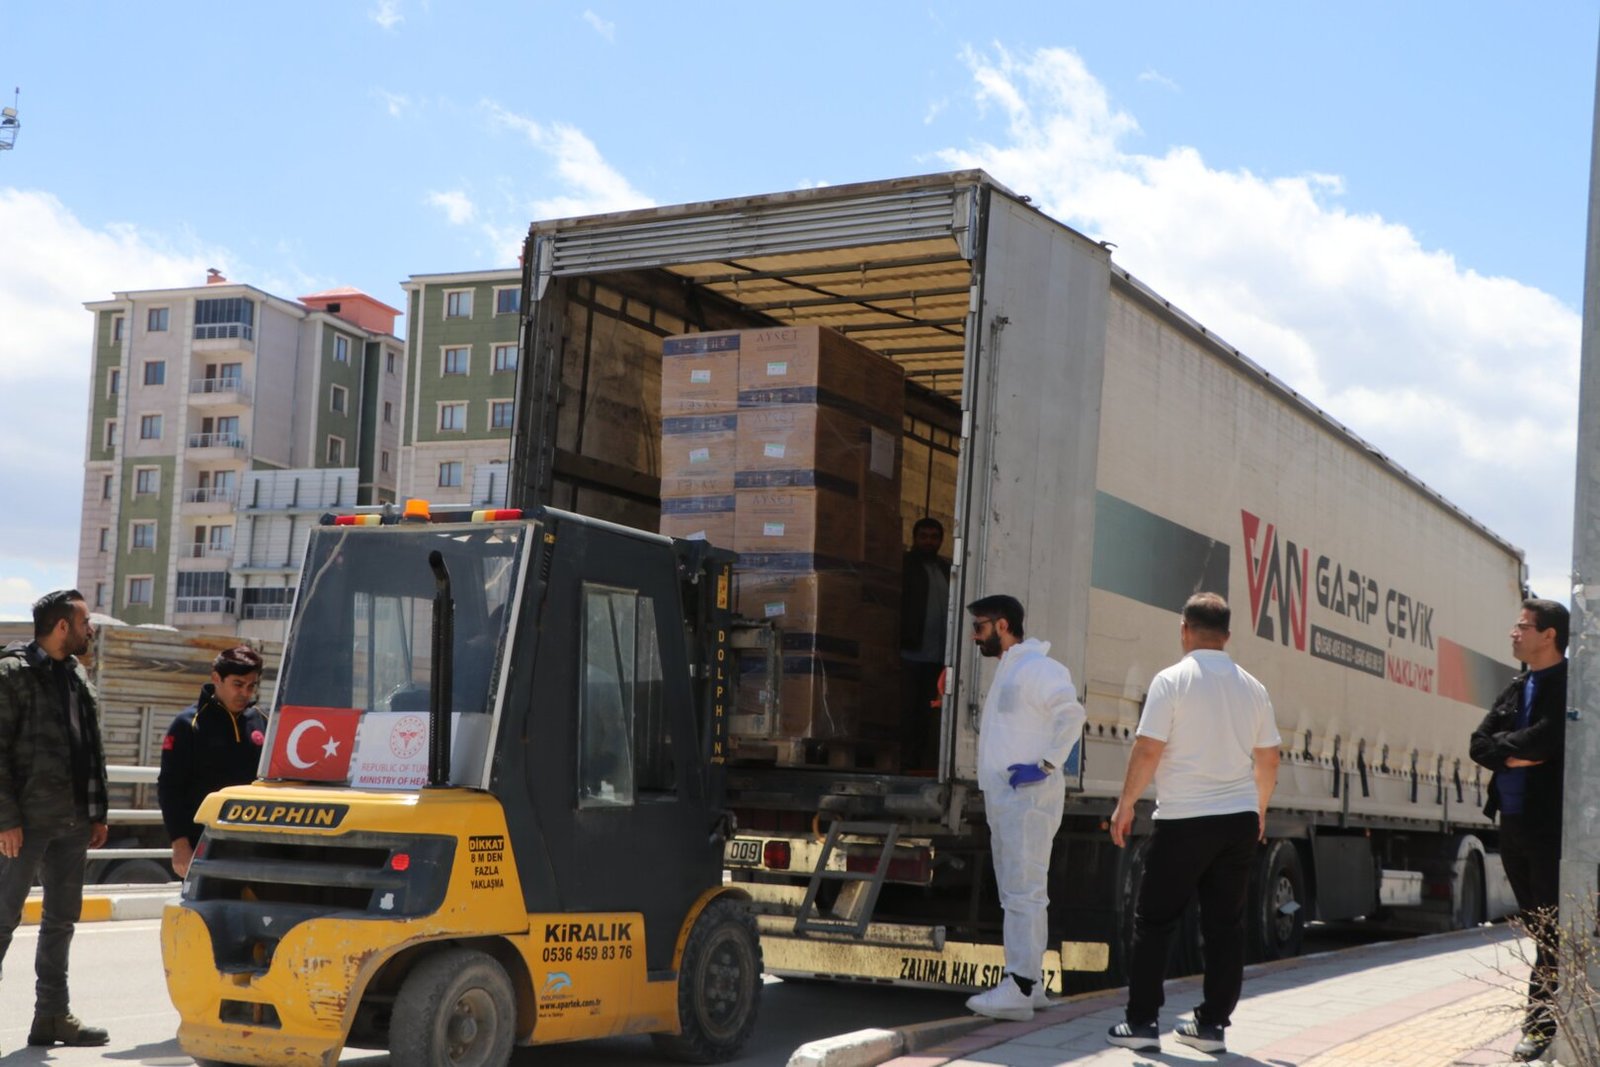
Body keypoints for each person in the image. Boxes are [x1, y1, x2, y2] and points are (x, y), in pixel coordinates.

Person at [1107, 592, 1279, 1055]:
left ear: (1184, 629)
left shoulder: (1172, 680)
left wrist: (1126, 804)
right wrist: (1259, 810)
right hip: (1239, 820)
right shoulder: (1254, 688)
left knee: (1155, 921)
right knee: (1225, 926)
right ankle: (1212, 1028)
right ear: (1227, 636)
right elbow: (1268, 759)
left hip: (1184, 819)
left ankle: (1142, 1023)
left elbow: (1148, 748)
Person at [963, 594, 1086, 1021]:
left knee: (1022, 893)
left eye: (979, 627)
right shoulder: (1012, 668)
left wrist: (1046, 765)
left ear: (1002, 625)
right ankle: (1030, 986)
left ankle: (1017, 986)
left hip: (1027, 801)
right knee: (1023, 894)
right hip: (1011, 800)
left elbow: (1071, 715)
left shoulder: (1038, 668)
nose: (975, 636)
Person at [0, 590, 110, 1048]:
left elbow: (91, 746)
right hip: (24, 823)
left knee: (61, 920)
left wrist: (97, 812)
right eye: (85, 622)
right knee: (2, 918)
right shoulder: (12, 673)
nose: (90, 630)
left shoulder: (76, 673)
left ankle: (51, 1016)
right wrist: (5, 818)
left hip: (73, 820)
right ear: (62, 626)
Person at [1470, 597, 1568, 1063]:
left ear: (1548, 635)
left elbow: (1550, 737)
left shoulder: (1568, 685)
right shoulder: (1517, 685)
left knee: (1551, 929)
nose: (1514, 632)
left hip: (1550, 824)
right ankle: (1551, 1016)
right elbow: (1477, 743)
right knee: (1538, 927)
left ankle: (1540, 1027)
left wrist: (1506, 749)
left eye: (1522, 626)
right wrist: (1514, 754)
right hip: (1512, 821)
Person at [158, 645, 267, 877]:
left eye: (251, 686)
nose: (245, 693)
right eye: (238, 684)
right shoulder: (188, 724)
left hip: (255, 845)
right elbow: (169, 788)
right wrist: (179, 845)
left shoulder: (262, 720)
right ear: (217, 678)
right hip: (204, 845)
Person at [900, 517, 952, 770]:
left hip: (938, 656)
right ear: (915, 538)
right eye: (923, 536)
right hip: (910, 653)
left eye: (934, 537)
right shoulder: (905, 566)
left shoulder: (945, 569)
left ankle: (922, 763)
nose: (928, 542)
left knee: (929, 713)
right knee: (907, 711)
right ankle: (905, 761)